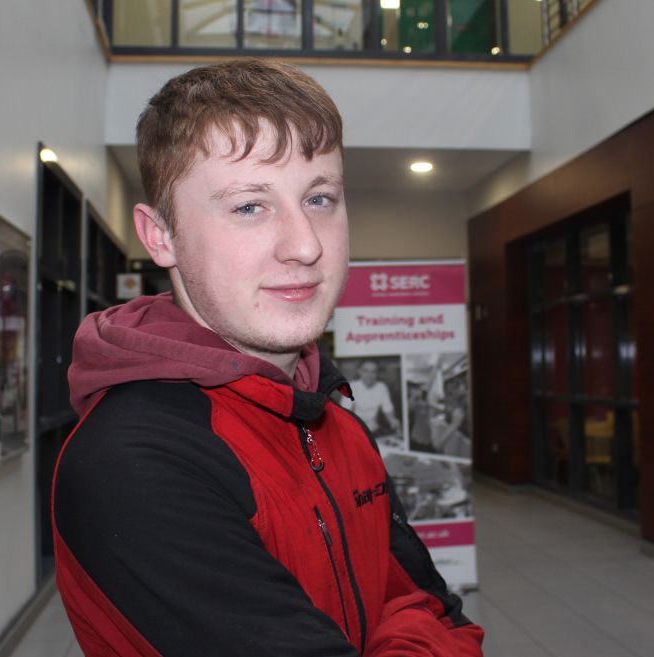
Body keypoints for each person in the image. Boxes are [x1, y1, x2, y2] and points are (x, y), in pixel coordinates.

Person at [53, 59, 484, 657]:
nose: (306, 244)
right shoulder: (132, 460)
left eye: (320, 198)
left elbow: (430, 607)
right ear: (160, 237)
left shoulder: (335, 421)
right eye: (249, 206)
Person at [340, 360, 400, 435]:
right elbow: (344, 414)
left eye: (373, 372)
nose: (369, 375)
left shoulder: (381, 387)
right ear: (360, 371)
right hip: (355, 431)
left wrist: (394, 422)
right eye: (366, 371)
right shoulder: (351, 387)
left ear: (377, 373)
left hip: (374, 431)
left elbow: (388, 410)